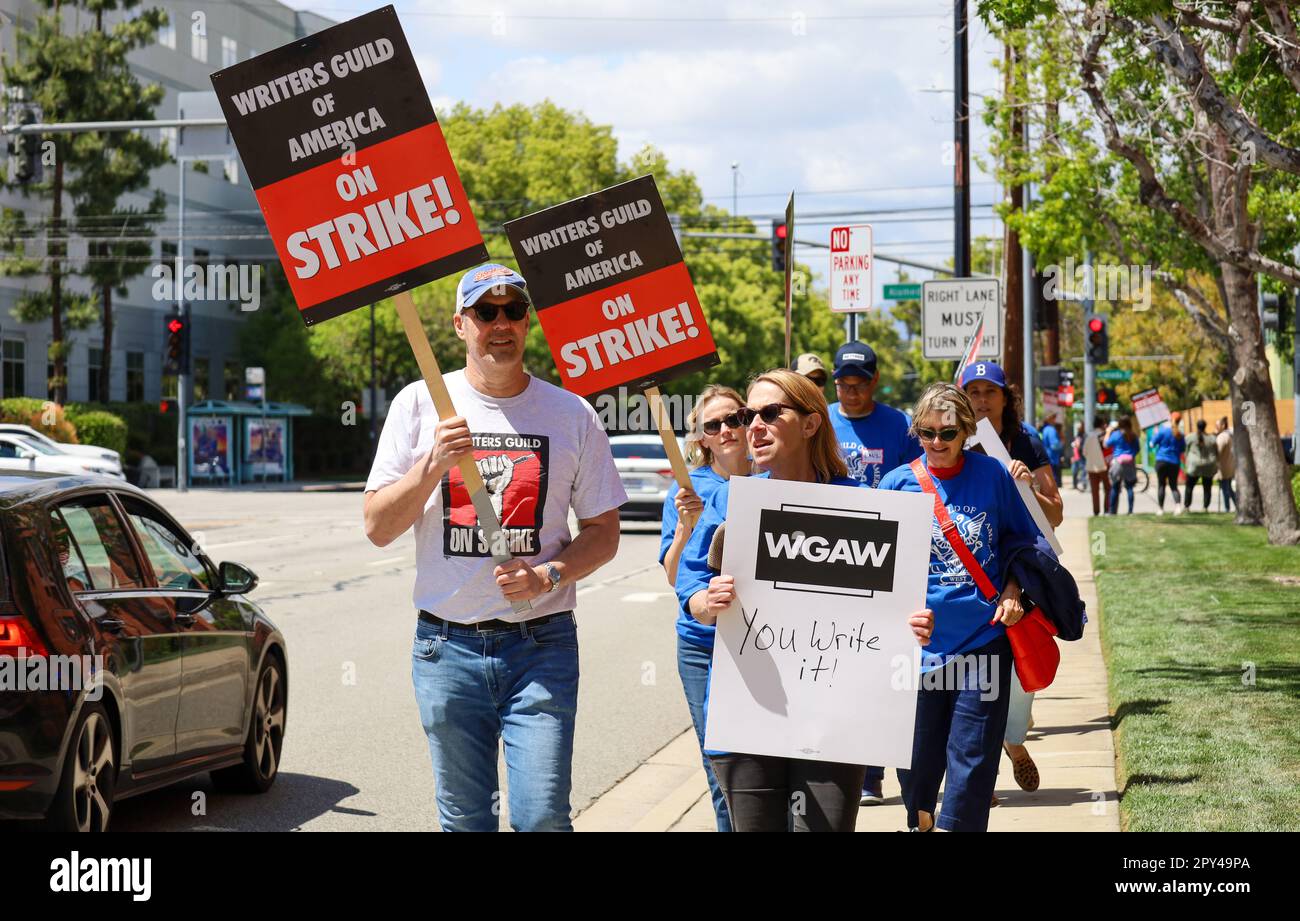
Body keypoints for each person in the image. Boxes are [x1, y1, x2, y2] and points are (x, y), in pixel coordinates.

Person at [363, 263, 627, 832]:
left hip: (542, 647)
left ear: (528, 321)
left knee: (540, 818)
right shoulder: (418, 404)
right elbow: (378, 527)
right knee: (465, 822)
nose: (500, 323)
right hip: (445, 648)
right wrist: (432, 464)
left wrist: (549, 575)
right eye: (486, 311)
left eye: (513, 310)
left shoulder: (572, 414)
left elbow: (605, 532)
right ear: (461, 324)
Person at [675, 368, 934, 832]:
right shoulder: (734, 501)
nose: (752, 426)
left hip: (834, 725)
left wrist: (912, 626)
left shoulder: (861, 503)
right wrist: (706, 602)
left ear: (811, 424)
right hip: (749, 718)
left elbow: (896, 609)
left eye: (770, 414)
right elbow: (689, 587)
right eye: (746, 414)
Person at [880, 383, 1041, 832]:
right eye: (927, 433)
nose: (936, 443)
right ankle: (921, 823)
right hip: (916, 649)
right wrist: (899, 614)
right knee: (915, 761)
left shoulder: (992, 476)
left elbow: (1023, 543)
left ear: (967, 433)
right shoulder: (897, 484)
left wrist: (1013, 590)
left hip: (983, 640)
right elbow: (877, 568)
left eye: (947, 434)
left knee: (972, 760)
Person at [825, 340, 923, 804]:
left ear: (874, 382)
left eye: (859, 385)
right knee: (845, 665)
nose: (850, 393)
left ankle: (884, 771)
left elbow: (917, 479)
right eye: (843, 385)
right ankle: (861, 773)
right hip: (836, 556)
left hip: (889, 555)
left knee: (885, 664)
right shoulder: (820, 419)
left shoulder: (899, 425)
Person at [959, 361, 1061, 796]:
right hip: (968, 572)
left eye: (990, 392)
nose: (982, 400)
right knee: (969, 674)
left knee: (1022, 663)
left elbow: (1054, 512)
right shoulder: (951, 440)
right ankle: (979, 778)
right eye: (974, 392)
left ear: (1006, 397)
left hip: (1022, 566)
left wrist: (1027, 486)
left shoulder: (1027, 441)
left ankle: (1014, 740)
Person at [658, 384, 750, 832]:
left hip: (765, 644)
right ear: (701, 439)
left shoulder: (776, 478)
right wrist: (685, 528)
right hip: (703, 645)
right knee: (723, 771)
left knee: (765, 765)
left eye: (735, 418)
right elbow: (675, 577)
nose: (727, 429)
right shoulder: (687, 490)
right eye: (714, 425)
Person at [1149, 416, 1186, 515]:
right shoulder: (1180, 435)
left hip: (1161, 461)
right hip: (1174, 462)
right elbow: (1183, 449)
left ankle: (1161, 509)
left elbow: (1151, 444)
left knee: (1161, 485)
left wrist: (1154, 434)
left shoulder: (1162, 431)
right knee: (1173, 485)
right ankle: (1178, 507)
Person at [1105, 415, 1141, 514]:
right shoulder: (1133, 435)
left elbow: (1106, 444)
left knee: (1115, 487)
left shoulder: (1116, 434)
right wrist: (1130, 455)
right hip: (1130, 462)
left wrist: (1108, 432)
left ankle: (1112, 511)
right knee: (1130, 487)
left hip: (1118, 463)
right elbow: (1137, 449)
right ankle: (1130, 510)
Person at [1183, 419, 1218, 511]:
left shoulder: (1190, 437)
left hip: (1194, 465)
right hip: (1208, 465)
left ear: (1197, 426)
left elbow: (1185, 451)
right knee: (1207, 487)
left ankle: (1187, 506)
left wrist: (1188, 460)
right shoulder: (1212, 438)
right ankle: (1205, 507)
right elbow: (1216, 452)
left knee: (1189, 486)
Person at [1083, 417, 1110, 516]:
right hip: (1104, 466)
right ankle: (1107, 510)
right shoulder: (1104, 435)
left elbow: (1084, 452)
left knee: (1095, 491)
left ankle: (1096, 511)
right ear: (1102, 424)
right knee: (1108, 488)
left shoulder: (1089, 436)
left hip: (1091, 467)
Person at [1215, 417, 1236, 512]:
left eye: (1217, 425)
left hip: (1223, 467)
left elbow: (1218, 452)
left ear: (1223, 426)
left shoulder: (1222, 437)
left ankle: (1227, 508)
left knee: (1225, 489)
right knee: (1229, 488)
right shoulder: (1230, 435)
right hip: (1229, 465)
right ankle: (1238, 505)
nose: (1216, 427)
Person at [1038, 414, 1063, 486]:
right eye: (1054, 418)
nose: (1055, 420)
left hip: (1047, 458)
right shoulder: (1051, 430)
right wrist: (1062, 442)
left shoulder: (1044, 429)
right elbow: (1055, 445)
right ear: (1049, 419)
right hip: (1053, 459)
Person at [1070, 423, 1087, 491]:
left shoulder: (1084, 435)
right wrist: (1072, 456)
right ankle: (1075, 484)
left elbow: (1080, 446)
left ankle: (1083, 484)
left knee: (1083, 470)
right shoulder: (1078, 435)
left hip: (1081, 456)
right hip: (1076, 456)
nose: (1078, 428)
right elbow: (1074, 446)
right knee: (1074, 471)